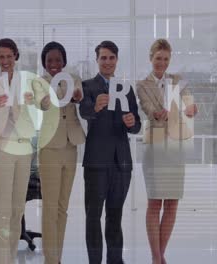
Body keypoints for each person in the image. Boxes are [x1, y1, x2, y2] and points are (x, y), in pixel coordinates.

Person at [79, 40, 141, 264]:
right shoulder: (87, 86)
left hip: (121, 163)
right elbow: (84, 111)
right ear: (97, 60)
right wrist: (94, 107)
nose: (107, 62)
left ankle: (116, 261)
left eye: (111, 57)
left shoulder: (126, 88)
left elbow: (137, 125)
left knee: (115, 216)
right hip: (96, 163)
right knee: (93, 217)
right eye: (103, 58)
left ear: (116, 60)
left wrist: (132, 122)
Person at [136, 39, 197, 264]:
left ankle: (161, 255)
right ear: (151, 58)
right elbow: (147, 108)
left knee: (172, 203)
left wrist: (192, 108)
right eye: (158, 58)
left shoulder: (178, 81)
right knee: (155, 202)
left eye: (166, 59)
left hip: (175, 148)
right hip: (155, 147)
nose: (162, 63)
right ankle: (156, 257)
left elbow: (189, 103)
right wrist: (157, 113)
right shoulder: (142, 85)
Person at [32, 41, 85, 264]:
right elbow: (42, 104)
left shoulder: (74, 79)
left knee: (62, 207)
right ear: (44, 63)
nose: (54, 64)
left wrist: (78, 96)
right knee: (50, 207)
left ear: (64, 60)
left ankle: (57, 258)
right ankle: (50, 259)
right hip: (50, 149)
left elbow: (80, 98)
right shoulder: (39, 82)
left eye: (58, 59)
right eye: (50, 60)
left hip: (70, 147)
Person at [0, 38, 36, 264]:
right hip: (3, 146)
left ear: (16, 56)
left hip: (23, 147)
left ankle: (11, 258)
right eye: (1, 57)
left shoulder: (27, 81)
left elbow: (36, 108)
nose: (5, 61)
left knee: (17, 208)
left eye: (8, 56)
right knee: (3, 208)